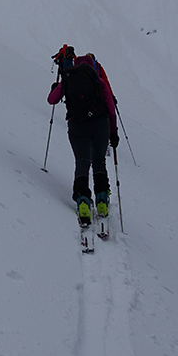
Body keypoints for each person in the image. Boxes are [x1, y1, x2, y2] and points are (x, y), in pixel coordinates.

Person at [48, 48, 119, 224]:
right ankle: (102, 200)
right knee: (99, 161)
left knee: (82, 162)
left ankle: (83, 201)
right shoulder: (98, 81)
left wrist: (56, 88)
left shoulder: (68, 78)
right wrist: (113, 132)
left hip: (77, 125)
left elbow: (51, 100)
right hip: (100, 125)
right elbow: (111, 109)